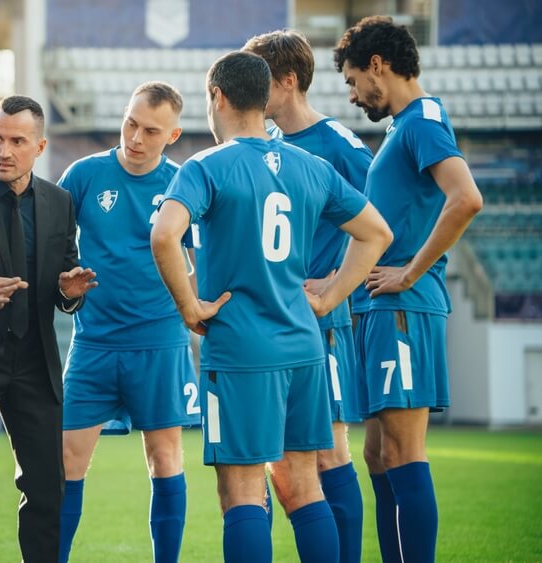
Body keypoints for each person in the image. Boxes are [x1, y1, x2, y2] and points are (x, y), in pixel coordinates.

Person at [151, 51, 393, 563]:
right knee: (304, 486)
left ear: (216, 96)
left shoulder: (206, 165)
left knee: (241, 492)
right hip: (304, 347)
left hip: (240, 349)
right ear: (264, 100)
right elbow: (377, 233)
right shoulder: (312, 167)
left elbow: (164, 234)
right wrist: (328, 296)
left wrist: (189, 307)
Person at [333, 16, 483, 563]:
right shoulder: (403, 127)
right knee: (377, 455)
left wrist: (410, 272)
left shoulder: (422, 121)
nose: (353, 96)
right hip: (383, 307)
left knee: (402, 451)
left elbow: (466, 199)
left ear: (378, 65)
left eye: (353, 81)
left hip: (404, 306)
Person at [0, 95, 97, 563]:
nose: (3, 151)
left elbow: (64, 279)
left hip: (35, 362)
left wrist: (69, 291)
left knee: (47, 491)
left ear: (40, 146)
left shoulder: (60, 202)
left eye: (16, 141)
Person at [243, 29, 373, 563]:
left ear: (288, 81)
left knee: (329, 455)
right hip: (268, 322)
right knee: (274, 463)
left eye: (261, 80)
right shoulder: (262, 145)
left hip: (321, 322)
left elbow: (381, 225)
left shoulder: (337, 144)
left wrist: (338, 285)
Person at [57, 81, 198, 563]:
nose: (136, 137)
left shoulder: (182, 183)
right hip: (93, 342)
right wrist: (63, 283)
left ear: (173, 135)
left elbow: (201, 256)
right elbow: (54, 247)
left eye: (150, 131)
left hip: (160, 341)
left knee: (165, 457)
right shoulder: (84, 174)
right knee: (65, 460)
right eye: (130, 123)